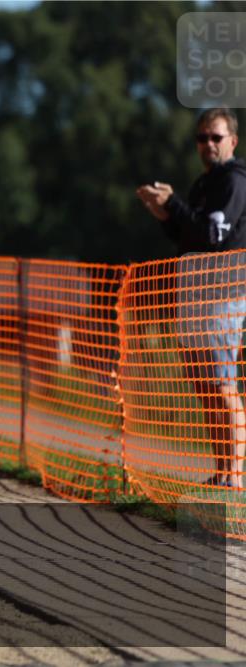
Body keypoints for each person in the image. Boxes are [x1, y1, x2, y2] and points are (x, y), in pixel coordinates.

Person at [137, 107, 246, 490]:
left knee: (222, 384)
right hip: (195, 293)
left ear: (232, 140)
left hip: (222, 294)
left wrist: (175, 205)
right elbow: (190, 240)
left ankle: (235, 474)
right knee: (203, 384)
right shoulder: (204, 185)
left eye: (216, 137)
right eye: (202, 138)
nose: (208, 144)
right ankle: (221, 469)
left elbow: (215, 236)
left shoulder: (234, 181)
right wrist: (164, 214)